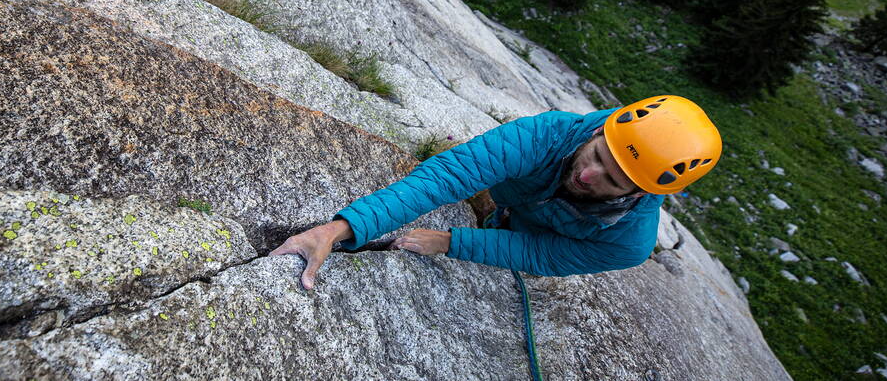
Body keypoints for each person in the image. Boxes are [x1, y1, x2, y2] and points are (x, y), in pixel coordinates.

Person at [270, 95, 721, 289]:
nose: (589, 175)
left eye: (613, 181)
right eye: (598, 153)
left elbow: (541, 256)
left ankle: (492, 209)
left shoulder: (627, 244)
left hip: (530, 223)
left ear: (640, 194)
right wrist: (341, 227)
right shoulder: (550, 133)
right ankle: (491, 201)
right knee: (464, 163)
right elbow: (444, 179)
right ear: (604, 128)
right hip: (511, 192)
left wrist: (454, 241)